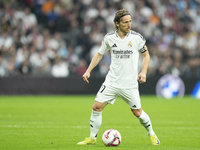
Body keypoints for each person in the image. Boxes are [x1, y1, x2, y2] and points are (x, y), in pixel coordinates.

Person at [77, 8, 160, 146]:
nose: (129, 25)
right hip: (112, 82)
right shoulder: (109, 38)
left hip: (129, 84)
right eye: (125, 22)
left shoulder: (136, 38)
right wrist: (88, 70)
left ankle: (151, 133)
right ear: (117, 23)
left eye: (130, 22)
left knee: (137, 113)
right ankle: (92, 138)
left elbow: (146, 55)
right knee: (96, 107)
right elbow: (99, 54)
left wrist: (143, 72)